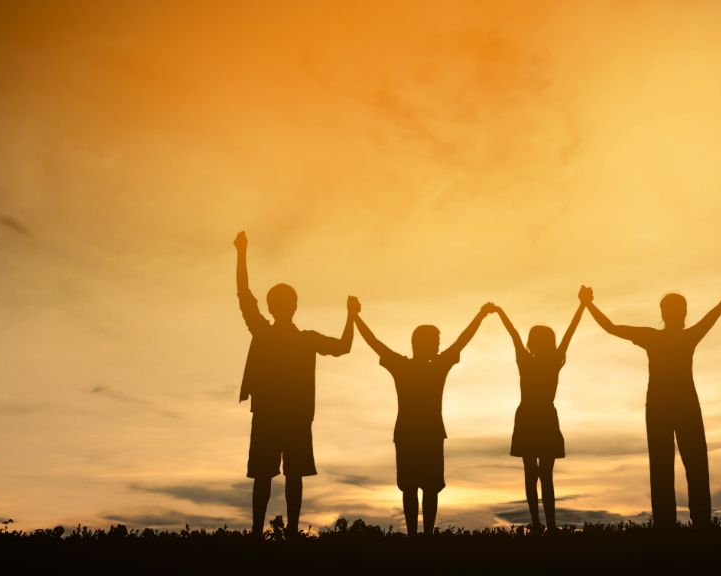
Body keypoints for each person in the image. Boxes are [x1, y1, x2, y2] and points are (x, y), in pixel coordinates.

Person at [582, 268, 721, 529]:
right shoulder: (681, 336)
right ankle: (694, 522)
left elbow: (611, 328)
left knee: (672, 465)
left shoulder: (656, 337)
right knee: (691, 464)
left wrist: (588, 304)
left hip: (667, 407)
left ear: (667, 314)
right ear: (679, 314)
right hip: (676, 406)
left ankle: (674, 523)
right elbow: (719, 309)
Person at [233, 230, 358, 538]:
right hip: (286, 414)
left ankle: (266, 531)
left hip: (281, 414)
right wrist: (351, 316)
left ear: (277, 307)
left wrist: (241, 252)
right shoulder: (299, 339)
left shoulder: (279, 334)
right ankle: (284, 532)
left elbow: (243, 294)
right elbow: (344, 345)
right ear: (292, 306)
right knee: (287, 475)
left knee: (275, 475)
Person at [353, 301, 494, 537]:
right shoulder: (431, 365)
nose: (439, 346)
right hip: (421, 434)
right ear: (424, 344)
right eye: (436, 342)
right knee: (420, 489)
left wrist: (355, 317)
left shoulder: (407, 365)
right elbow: (462, 340)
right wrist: (480, 315)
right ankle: (422, 536)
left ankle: (418, 536)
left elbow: (375, 344)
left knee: (419, 489)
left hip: (415, 434)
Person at [493, 288, 587, 532]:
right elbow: (569, 332)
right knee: (544, 474)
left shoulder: (529, 360)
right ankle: (548, 525)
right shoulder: (552, 360)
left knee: (533, 474)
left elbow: (514, 334)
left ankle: (539, 523)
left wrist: (500, 312)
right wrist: (582, 305)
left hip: (532, 416)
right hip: (541, 416)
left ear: (533, 342)